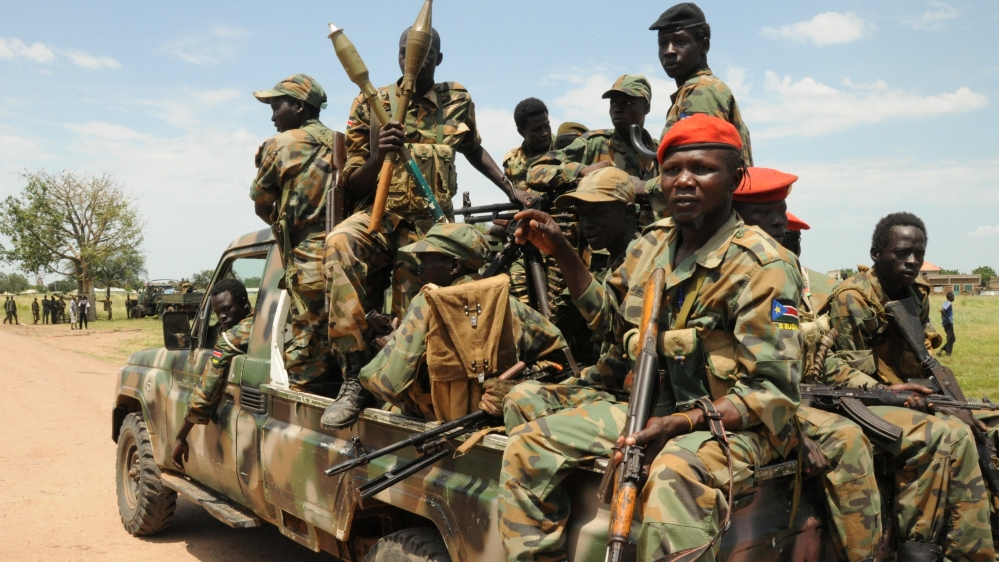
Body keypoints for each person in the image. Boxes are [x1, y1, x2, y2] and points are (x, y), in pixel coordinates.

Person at [500, 115, 802, 560]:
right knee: (528, 442)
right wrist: (561, 250)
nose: (684, 181)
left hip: (731, 425)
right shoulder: (652, 245)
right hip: (650, 409)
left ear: (736, 179)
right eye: (672, 170)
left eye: (702, 169)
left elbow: (773, 394)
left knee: (674, 474)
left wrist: (680, 424)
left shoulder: (764, 265)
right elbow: (611, 323)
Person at [322, 26, 530, 428]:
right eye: (404, 53)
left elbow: (474, 150)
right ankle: (354, 375)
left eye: (422, 53)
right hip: (380, 217)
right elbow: (353, 184)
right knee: (339, 243)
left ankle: (412, 395)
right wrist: (379, 153)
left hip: (430, 226)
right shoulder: (373, 103)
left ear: (438, 58)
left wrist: (512, 190)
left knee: (421, 303)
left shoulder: (456, 99)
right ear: (397, 56)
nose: (412, 61)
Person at [820, 212, 994, 561]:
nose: (912, 261)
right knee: (950, 435)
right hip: (860, 399)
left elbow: (924, 359)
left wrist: (945, 398)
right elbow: (841, 374)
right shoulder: (854, 298)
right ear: (876, 254)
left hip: (909, 391)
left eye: (918, 253)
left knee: (987, 423)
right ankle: (924, 550)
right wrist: (901, 396)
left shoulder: (916, 294)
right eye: (901, 253)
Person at [730, 167, 882, 561]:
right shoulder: (736, 273)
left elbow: (809, 356)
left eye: (781, 211)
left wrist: (880, 389)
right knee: (848, 440)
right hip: (746, 407)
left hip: (780, 400)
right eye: (765, 212)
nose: (779, 222)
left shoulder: (779, 273)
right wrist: (792, 432)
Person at [358, 223, 567, 421]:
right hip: (492, 415)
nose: (419, 268)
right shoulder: (507, 303)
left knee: (383, 404)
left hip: (439, 417)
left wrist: (389, 347)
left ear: (455, 266)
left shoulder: (427, 302)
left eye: (426, 261)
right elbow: (560, 353)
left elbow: (386, 386)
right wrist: (513, 386)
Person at [249, 73, 336, 391]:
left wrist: (285, 230)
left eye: (277, 107)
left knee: (307, 344)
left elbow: (261, 204)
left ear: (299, 106)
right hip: (349, 252)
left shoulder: (281, 145)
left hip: (307, 258)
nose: (273, 116)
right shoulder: (343, 142)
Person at [526, 74, 659, 226]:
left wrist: (648, 188)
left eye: (627, 103)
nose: (618, 109)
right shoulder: (594, 144)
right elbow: (535, 172)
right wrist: (581, 171)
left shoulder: (660, 151)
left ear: (646, 107)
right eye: (613, 103)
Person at [650, 2, 752, 164]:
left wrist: (633, 181)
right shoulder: (700, 88)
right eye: (663, 44)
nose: (669, 51)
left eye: (679, 41)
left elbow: (696, 170)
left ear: (704, 45)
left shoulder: (701, 91)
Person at [171, 278, 254, 470]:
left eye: (227, 309)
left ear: (244, 303)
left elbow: (206, 391)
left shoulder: (232, 338)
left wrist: (181, 437)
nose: (222, 316)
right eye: (217, 312)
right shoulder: (264, 322)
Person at [503, 98, 554, 194]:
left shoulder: (565, 148)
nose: (545, 133)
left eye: (547, 126)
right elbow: (513, 194)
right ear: (521, 132)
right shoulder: (512, 162)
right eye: (537, 130)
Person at [941, 290, 956, 355]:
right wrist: (948, 319)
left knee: (953, 339)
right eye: (953, 296)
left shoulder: (945, 302)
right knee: (950, 338)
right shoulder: (948, 303)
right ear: (950, 297)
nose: (954, 298)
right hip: (948, 323)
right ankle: (948, 353)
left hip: (945, 323)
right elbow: (942, 310)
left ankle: (941, 350)